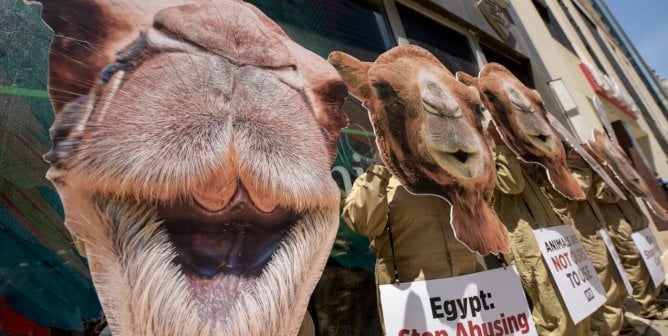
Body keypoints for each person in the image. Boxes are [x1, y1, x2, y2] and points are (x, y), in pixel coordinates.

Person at [341, 163, 484, 325]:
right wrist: (380, 166)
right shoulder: (378, 179)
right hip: (417, 303)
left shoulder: (450, 171)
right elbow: (362, 223)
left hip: (471, 298)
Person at [493, 144, 592, 335]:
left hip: (550, 233)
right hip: (526, 240)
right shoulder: (480, 150)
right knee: (557, 313)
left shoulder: (510, 148)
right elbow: (511, 183)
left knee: (578, 305)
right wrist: (499, 145)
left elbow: (547, 184)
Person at [540, 152, 639, 336]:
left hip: (595, 229)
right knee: (605, 289)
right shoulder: (550, 166)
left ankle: (621, 326)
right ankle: (613, 331)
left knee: (616, 284)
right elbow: (579, 189)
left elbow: (604, 192)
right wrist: (579, 163)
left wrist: (600, 166)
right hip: (583, 233)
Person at [593, 175, 668, 320]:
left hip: (632, 216)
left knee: (649, 258)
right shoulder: (584, 165)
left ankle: (657, 292)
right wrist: (621, 183)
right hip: (619, 223)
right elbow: (600, 194)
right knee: (635, 262)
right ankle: (649, 306)